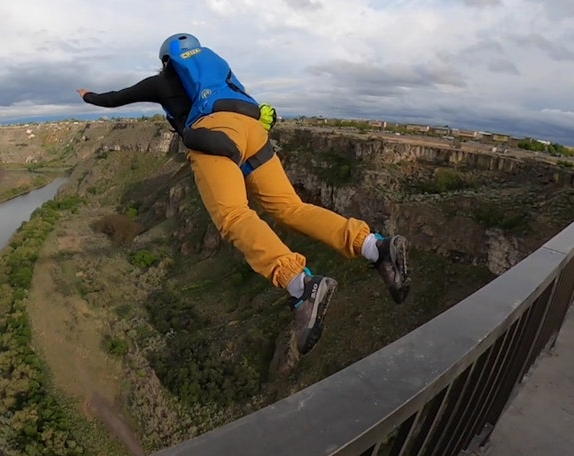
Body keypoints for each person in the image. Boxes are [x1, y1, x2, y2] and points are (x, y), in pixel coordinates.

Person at [77, 33, 409, 356]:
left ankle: (299, 284)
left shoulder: (163, 80)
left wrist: (89, 96)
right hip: (252, 129)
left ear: (167, 60)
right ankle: (374, 247)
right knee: (291, 207)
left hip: (214, 132)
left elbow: (116, 97)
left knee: (233, 216)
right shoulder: (218, 69)